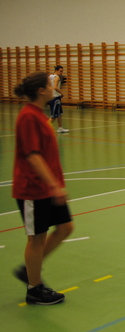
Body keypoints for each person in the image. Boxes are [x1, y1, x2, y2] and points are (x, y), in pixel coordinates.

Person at [12, 71, 74, 305]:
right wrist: (54, 185)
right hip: (33, 189)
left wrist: (56, 186)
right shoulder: (28, 116)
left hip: (48, 188)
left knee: (65, 227)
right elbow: (33, 156)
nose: (53, 88)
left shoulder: (39, 115)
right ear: (41, 90)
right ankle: (34, 288)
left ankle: (29, 269)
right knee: (37, 238)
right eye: (49, 86)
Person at [48, 65, 68, 133]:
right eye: (60, 71)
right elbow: (55, 87)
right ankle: (44, 127)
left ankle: (60, 128)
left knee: (59, 113)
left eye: (62, 71)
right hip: (55, 98)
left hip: (52, 97)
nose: (61, 73)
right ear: (56, 70)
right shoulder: (57, 77)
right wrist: (61, 93)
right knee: (54, 115)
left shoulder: (50, 76)